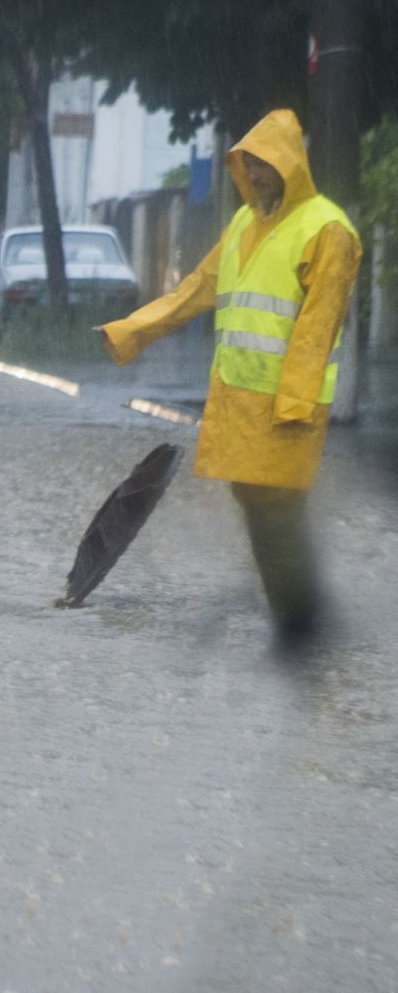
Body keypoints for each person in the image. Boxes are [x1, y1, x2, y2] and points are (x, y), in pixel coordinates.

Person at [96, 108, 362, 650]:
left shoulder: (327, 229)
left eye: (265, 165)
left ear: (289, 165)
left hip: (289, 407)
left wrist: (293, 405)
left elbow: (316, 329)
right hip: (240, 404)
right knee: (256, 503)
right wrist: (132, 332)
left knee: (277, 506)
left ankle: (302, 624)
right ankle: (298, 618)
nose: (257, 175)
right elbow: (196, 289)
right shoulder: (245, 224)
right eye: (249, 165)